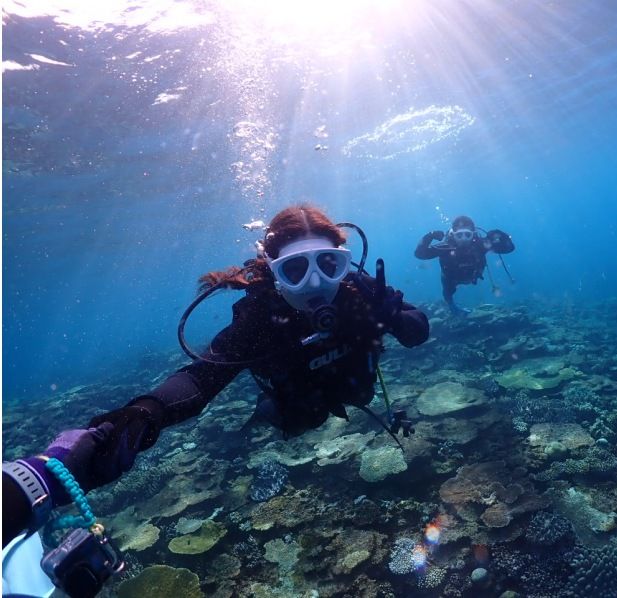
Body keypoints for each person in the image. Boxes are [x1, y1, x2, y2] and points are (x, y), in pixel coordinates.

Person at [3, 204, 429, 559]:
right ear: (274, 271)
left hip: (356, 388)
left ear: (344, 262)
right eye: (295, 270)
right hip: (297, 405)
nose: (316, 283)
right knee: (284, 419)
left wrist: (392, 314)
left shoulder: (360, 292)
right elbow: (202, 377)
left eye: (329, 265)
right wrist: (143, 414)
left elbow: (417, 330)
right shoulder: (260, 318)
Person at [414, 215, 515, 315]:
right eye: (459, 235)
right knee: (448, 293)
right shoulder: (446, 247)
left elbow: (509, 248)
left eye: (467, 235)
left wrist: (499, 235)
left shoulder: (480, 244)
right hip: (451, 279)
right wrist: (430, 236)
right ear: (453, 235)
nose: (463, 239)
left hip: (473, 276)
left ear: (473, 234)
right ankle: (452, 306)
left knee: (448, 291)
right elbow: (419, 254)